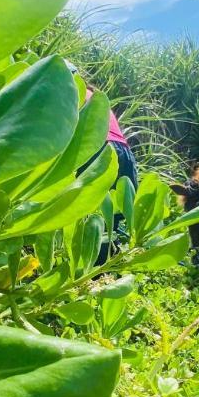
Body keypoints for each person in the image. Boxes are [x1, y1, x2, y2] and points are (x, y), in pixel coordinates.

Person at [67, 62, 138, 260]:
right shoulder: (95, 95)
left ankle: (88, 273)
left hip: (98, 148)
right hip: (123, 152)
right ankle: (100, 274)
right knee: (110, 217)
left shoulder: (72, 92)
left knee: (89, 213)